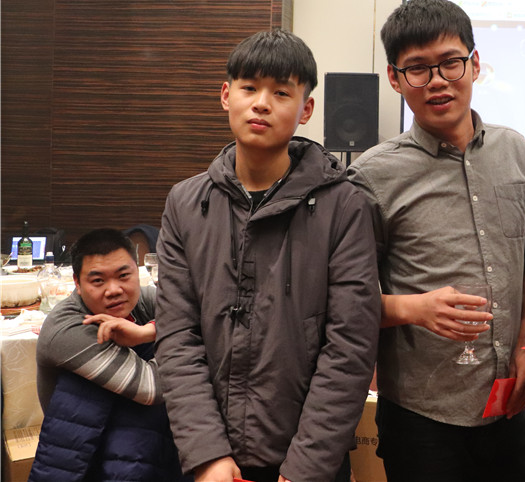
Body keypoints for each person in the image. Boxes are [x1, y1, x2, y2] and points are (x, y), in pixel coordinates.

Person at [155, 29, 381, 482]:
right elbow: (177, 336)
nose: (261, 104)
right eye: (249, 88)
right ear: (226, 95)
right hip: (209, 460)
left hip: (306, 461)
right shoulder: (185, 203)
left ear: (306, 109)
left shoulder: (344, 205)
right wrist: (206, 454)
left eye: (281, 92)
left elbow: (350, 346)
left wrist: (305, 469)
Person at [346, 0, 525, 481]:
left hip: (506, 402)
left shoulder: (514, 149)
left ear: (475, 64)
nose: (438, 80)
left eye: (450, 62)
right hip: (422, 414)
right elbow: (344, 298)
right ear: (395, 78)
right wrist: (414, 309)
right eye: (418, 69)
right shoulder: (372, 176)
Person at [31, 228, 184, 481]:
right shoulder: (67, 326)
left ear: (138, 272)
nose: (114, 290)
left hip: (136, 446)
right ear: (77, 284)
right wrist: (186, 344)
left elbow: (200, 316)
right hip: (88, 452)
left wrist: (147, 332)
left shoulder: (141, 300)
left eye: (124, 276)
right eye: (98, 281)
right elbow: (152, 387)